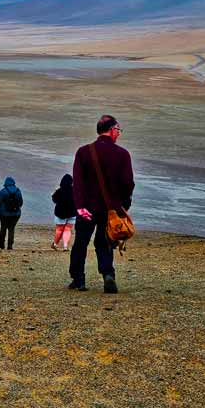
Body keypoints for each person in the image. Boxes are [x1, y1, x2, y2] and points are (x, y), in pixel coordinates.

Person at [69, 115, 135, 293]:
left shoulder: (83, 152)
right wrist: (123, 203)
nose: (118, 134)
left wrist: (80, 206)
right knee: (104, 242)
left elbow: (78, 182)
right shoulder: (122, 154)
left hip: (87, 208)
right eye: (118, 130)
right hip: (111, 208)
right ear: (112, 130)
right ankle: (108, 275)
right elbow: (128, 183)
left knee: (81, 243)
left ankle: (78, 279)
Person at [0, 176, 23, 250]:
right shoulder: (18, 191)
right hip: (16, 214)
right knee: (11, 229)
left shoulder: (3, 191)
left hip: (4, 214)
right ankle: (10, 245)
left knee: (3, 227)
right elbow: (21, 203)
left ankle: (1, 243)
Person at [51, 174, 76, 250]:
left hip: (60, 213)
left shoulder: (59, 190)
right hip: (72, 213)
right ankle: (65, 246)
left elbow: (55, 200)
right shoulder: (74, 190)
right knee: (68, 229)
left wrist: (54, 193)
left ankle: (55, 244)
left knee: (59, 229)